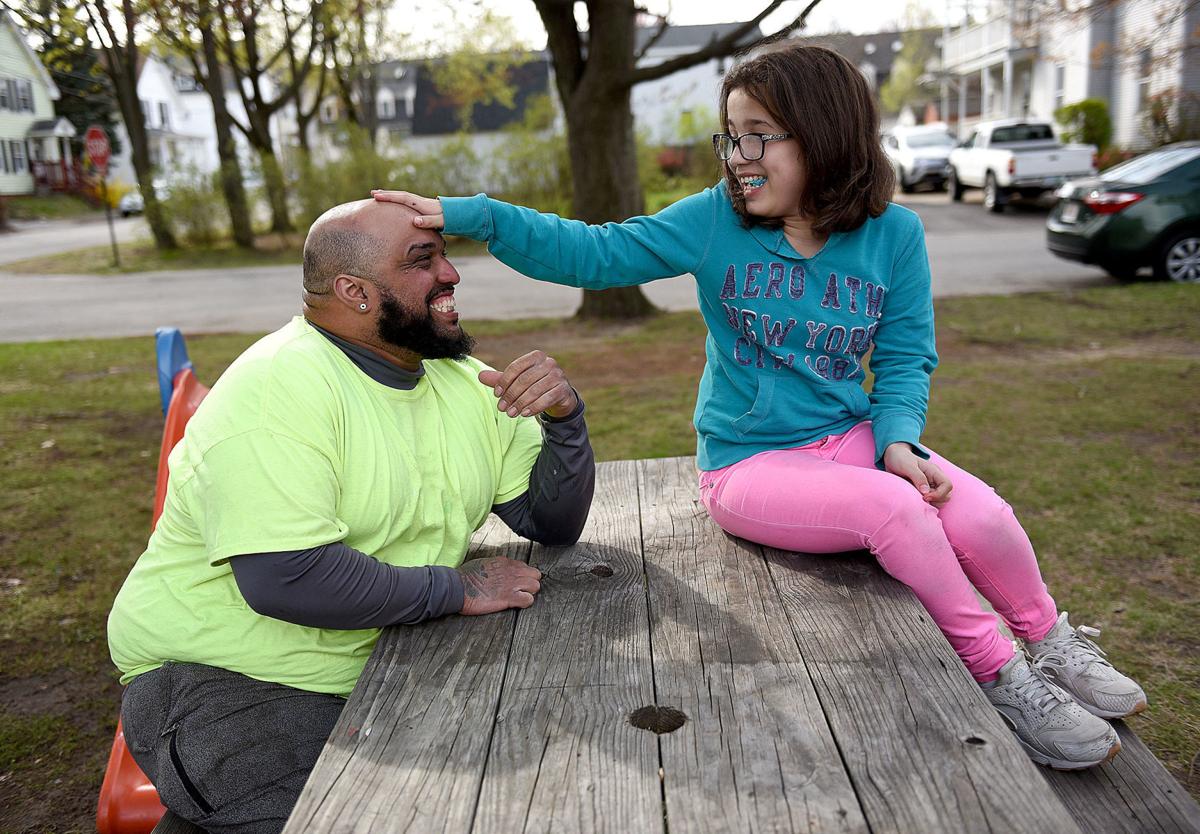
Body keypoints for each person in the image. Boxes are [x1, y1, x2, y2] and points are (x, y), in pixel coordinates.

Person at [373, 44, 1146, 771]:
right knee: (897, 513)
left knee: (982, 515)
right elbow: (593, 251)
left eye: (757, 137)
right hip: (748, 464)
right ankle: (1000, 674)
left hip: (853, 440)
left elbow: (907, 357)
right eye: (731, 138)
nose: (738, 158)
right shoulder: (714, 220)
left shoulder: (894, 234)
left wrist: (900, 439)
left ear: (824, 136)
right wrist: (468, 214)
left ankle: (1050, 640)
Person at [107, 198, 595, 834]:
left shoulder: (460, 381)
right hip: (222, 681)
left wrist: (565, 421)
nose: (451, 274)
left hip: (374, 664)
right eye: (423, 261)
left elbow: (549, 520)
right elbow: (286, 576)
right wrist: (455, 587)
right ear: (355, 292)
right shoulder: (279, 387)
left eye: (445, 254)